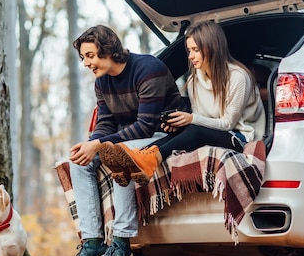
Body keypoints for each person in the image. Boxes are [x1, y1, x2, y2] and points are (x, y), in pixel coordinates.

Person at [64, 24, 186, 256]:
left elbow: (145, 126)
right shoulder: (102, 82)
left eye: (90, 56)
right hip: (128, 136)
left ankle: (122, 242)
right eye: (83, 58)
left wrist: (100, 145)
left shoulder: (148, 69)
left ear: (108, 50)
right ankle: (93, 242)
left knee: (117, 154)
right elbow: (106, 122)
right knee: (79, 161)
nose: (86, 63)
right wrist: (91, 144)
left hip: (162, 132)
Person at [98, 20, 266, 185]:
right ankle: (139, 159)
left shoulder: (238, 77)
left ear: (212, 48)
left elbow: (228, 123)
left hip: (241, 137)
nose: (190, 56)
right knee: (181, 131)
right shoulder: (194, 80)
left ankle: (150, 159)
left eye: (195, 50)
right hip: (212, 132)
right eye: (189, 50)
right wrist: (180, 124)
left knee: (194, 130)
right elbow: (201, 119)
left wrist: (191, 119)